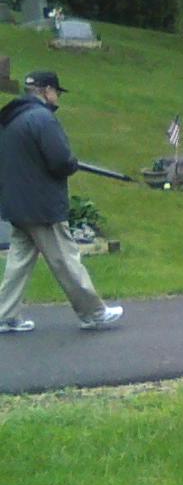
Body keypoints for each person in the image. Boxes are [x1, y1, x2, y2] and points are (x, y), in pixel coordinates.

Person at [0, 70, 123, 332]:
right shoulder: (42, 119)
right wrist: (71, 163)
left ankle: (5, 315)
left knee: (19, 262)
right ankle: (93, 313)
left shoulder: (11, 117)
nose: (57, 98)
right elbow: (60, 161)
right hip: (41, 205)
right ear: (45, 91)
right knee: (65, 259)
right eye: (56, 92)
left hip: (17, 203)